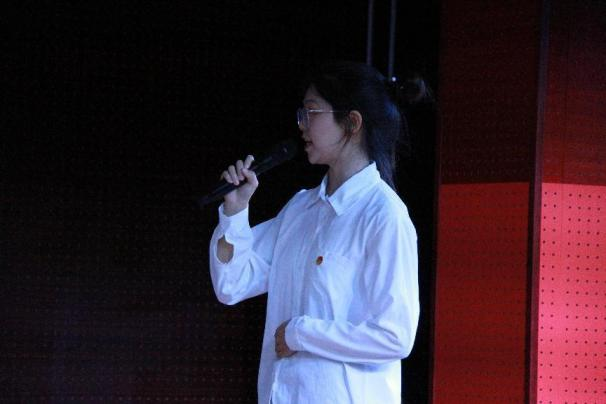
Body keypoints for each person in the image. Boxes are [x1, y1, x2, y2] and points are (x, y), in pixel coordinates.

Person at [209, 61, 420, 404]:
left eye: (311, 112)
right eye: (302, 114)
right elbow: (232, 284)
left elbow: (395, 336)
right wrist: (235, 210)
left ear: (352, 122)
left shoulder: (384, 215)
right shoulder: (300, 209)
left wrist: (301, 333)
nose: (302, 125)